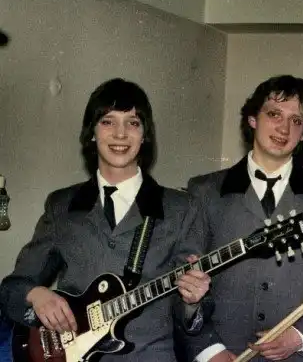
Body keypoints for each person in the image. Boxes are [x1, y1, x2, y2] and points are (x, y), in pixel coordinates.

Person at [0, 78, 210, 361]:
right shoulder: (61, 206)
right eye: (108, 122)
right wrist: (36, 295)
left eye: (133, 123)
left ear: (145, 135)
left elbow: (190, 316)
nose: (120, 134)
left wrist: (192, 302)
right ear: (91, 133)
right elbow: (12, 289)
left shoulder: (181, 207)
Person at [181, 75, 303, 362]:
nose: (284, 128)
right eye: (274, 114)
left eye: (296, 120)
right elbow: (183, 278)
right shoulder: (204, 191)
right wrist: (209, 350)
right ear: (252, 119)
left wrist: (299, 336)